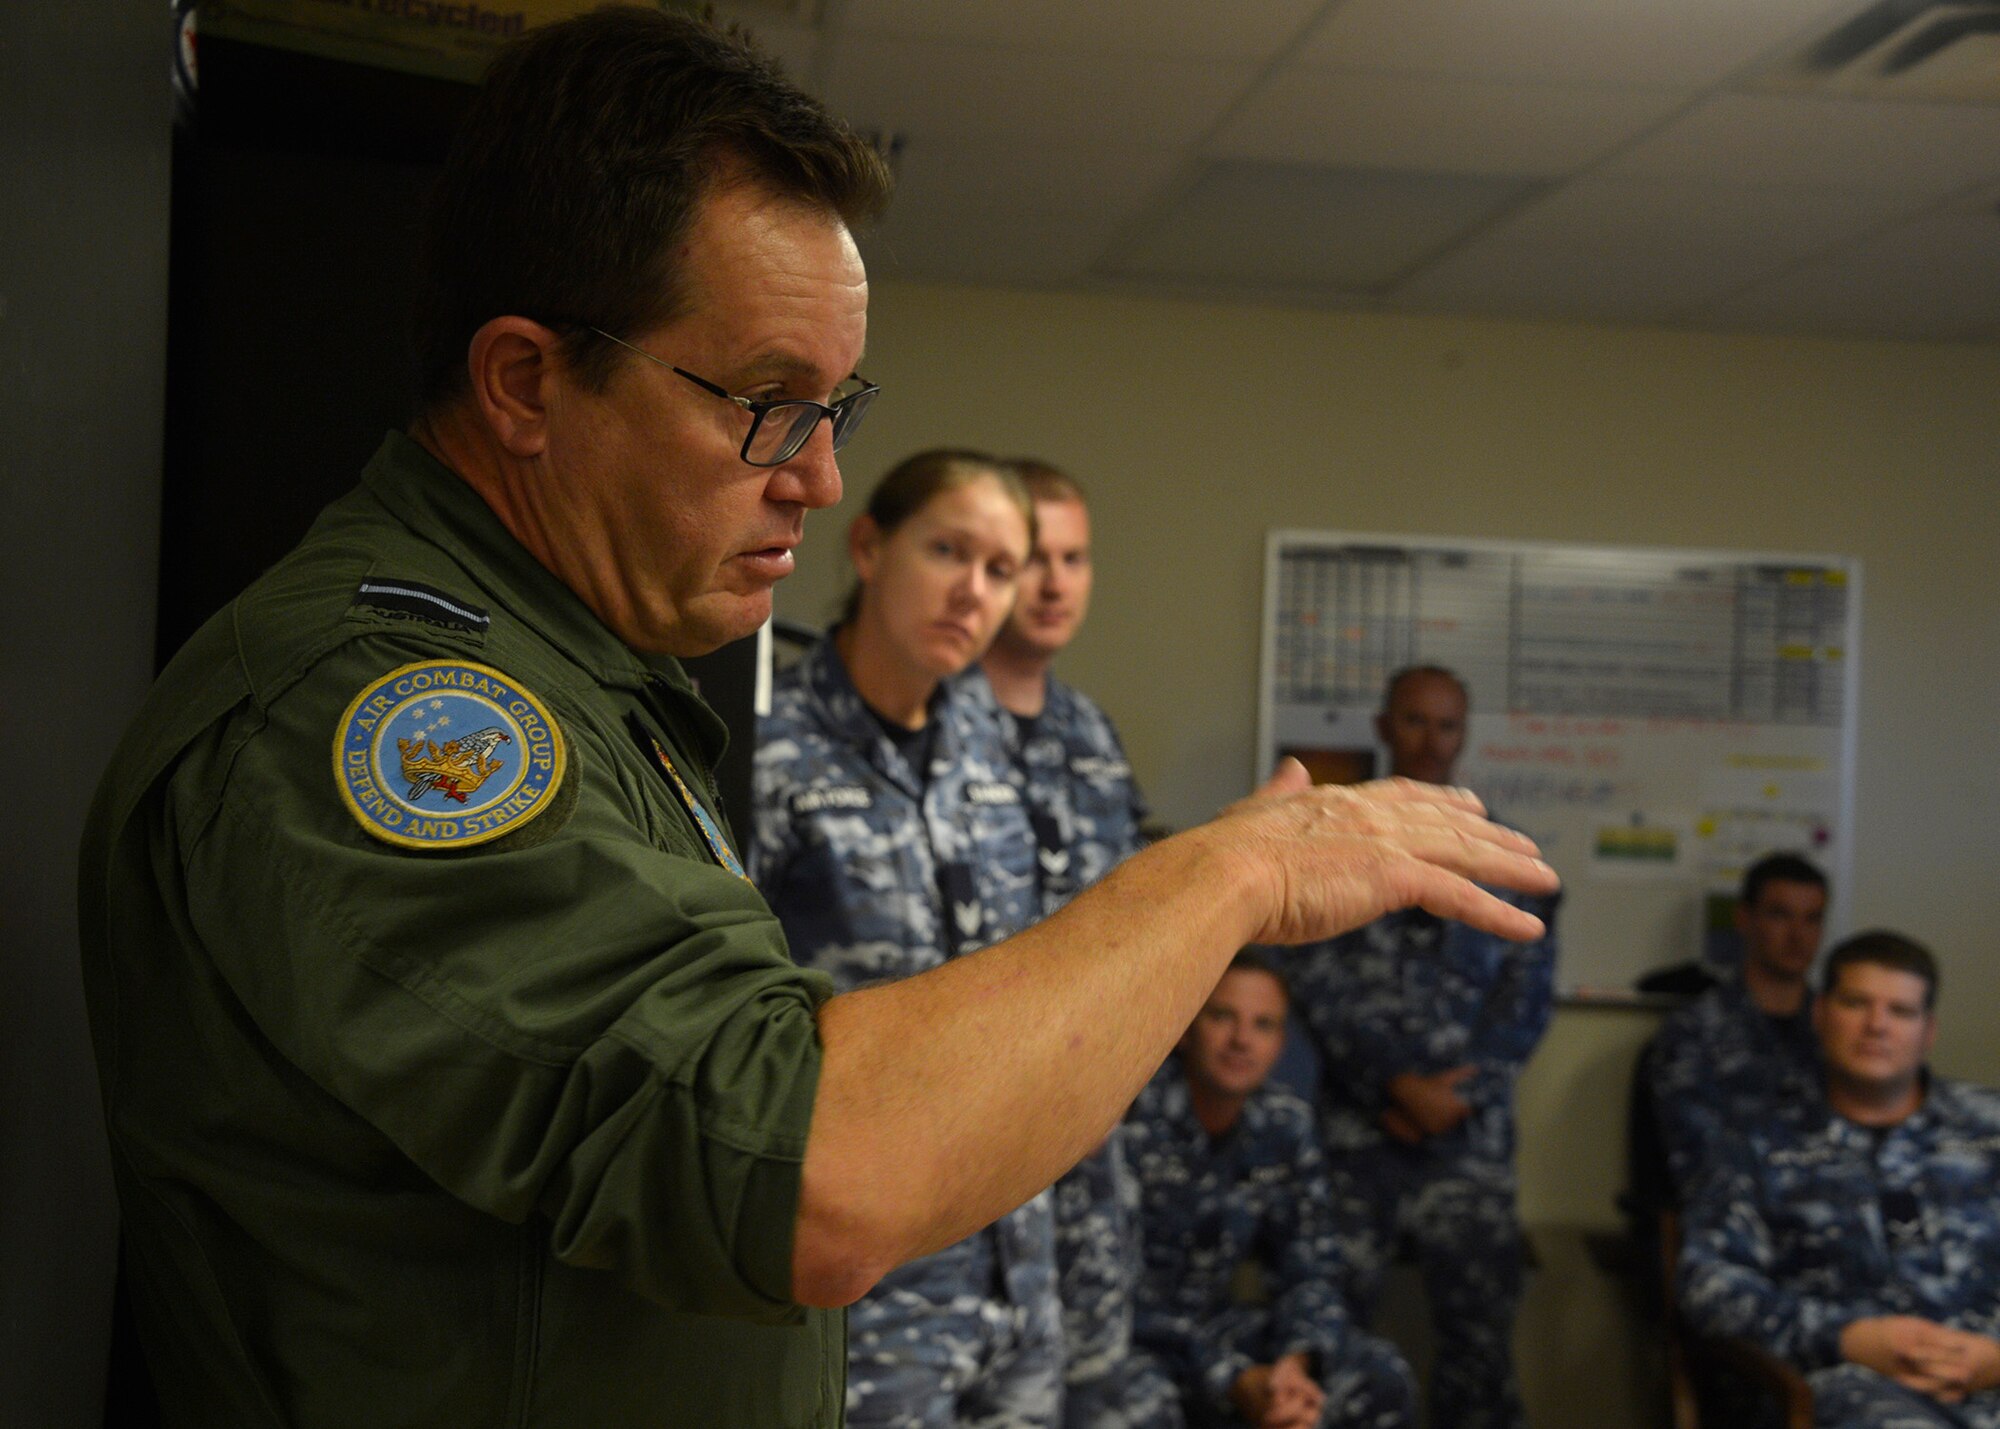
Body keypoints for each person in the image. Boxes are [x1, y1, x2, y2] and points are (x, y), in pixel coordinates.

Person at [75, 10, 1558, 1427]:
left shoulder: (592, 676)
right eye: (766, 401)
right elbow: (809, 1172)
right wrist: (1233, 874)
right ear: (527, 380)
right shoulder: (382, 715)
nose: (819, 479)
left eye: (837, 409)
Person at [749, 449, 1061, 1427]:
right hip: (866, 1285)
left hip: (1016, 1267)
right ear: (870, 547)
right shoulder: (772, 750)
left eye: (1000, 570)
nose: (972, 591)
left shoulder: (999, 753)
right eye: (947, 551)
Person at [1286, 666, 1560, 1429]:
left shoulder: (1509, 856)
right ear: (1382, 726)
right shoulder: (1327, 839)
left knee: (1479, 1348)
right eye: (1413, 720)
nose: (1430, 740)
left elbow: (1527, 999)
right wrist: (1393, 1086)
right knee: (1335, 1342)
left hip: (1467, 1141)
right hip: (1355, 1131)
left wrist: (1451, 1097)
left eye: (1446, 724)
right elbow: (1308, 973)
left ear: (1464, 734)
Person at [976, 458, 1152, 1429]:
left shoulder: (1091, 733)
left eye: (1074, 559)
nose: (1052, 583)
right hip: (974, 1148)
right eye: (1031, 558)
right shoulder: (924, 717)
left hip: (1087, 1155)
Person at [1678, 932, 2000, 1428]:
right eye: (1856, 1003)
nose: (1877, 1026)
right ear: (1820, 1013)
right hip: (1848, 1389)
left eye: (1901, 1011)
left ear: (1928, 1031)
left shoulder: (1989, 1126)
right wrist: (1845, 1338)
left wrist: (1994, 1359)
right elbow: (1710, 1290)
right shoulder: (1755, 1137)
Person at [1124, 951, 1415, 1429]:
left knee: (1378, 1377)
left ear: (1281, 1042)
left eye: (1263, 1025)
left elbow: (1312, 1269)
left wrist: (1293, 1367)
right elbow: (1106, 1297)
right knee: (1136, 1410)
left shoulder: (1283, 1125)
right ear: (1185, 1026)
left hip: (1218, 1331)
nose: (1241, 1040)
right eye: (1222, 1017)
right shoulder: (1129, 1120)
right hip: (1130, 1342)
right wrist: (1233, 1379)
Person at [1647, 853, 1830, 1198]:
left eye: (1812, 919)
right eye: (1780, 915)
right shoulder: (1694, 1031)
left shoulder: (1840, 1028)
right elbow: (1694, 1162)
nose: (1798, 936)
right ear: (1745, 919)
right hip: (1732, 1220)